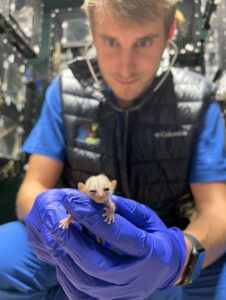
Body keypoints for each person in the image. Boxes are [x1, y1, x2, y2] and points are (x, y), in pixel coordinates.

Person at [1, 0, 226, 299]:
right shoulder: (64, 91)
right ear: (92, 35)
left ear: (169, 31)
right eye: (110, 41)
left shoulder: (198, 100)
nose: (125, 67)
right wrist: (50, 224)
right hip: (77, 232)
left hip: (160, 242)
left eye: (143, 42)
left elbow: (217, 210)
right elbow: (34, 185)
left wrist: (180, 256)